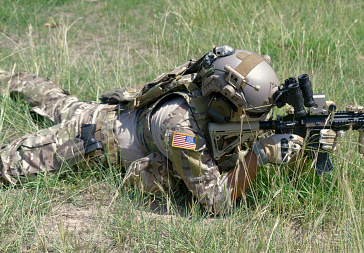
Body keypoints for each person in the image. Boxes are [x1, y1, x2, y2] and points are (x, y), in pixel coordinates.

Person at [0, 46, 310, 214]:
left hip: (115, 116)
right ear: (222, 103)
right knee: (8, 166)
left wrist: (306, 140)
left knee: (60, 102)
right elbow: (216, 201)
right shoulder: (182, 129)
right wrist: (258, 155)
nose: (255, 121)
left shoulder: (211, 98)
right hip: (91, 138)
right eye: (250, 113)